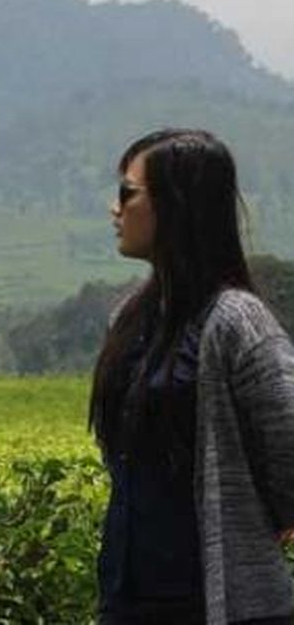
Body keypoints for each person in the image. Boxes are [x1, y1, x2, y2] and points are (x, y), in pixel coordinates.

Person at [90, 128, 294, 625]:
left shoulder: (236, 321)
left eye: (127, 193)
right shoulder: (129, 319)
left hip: (220, 602)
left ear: (176, 206)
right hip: (128, 596)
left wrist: (261, 519)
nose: (114, 210)